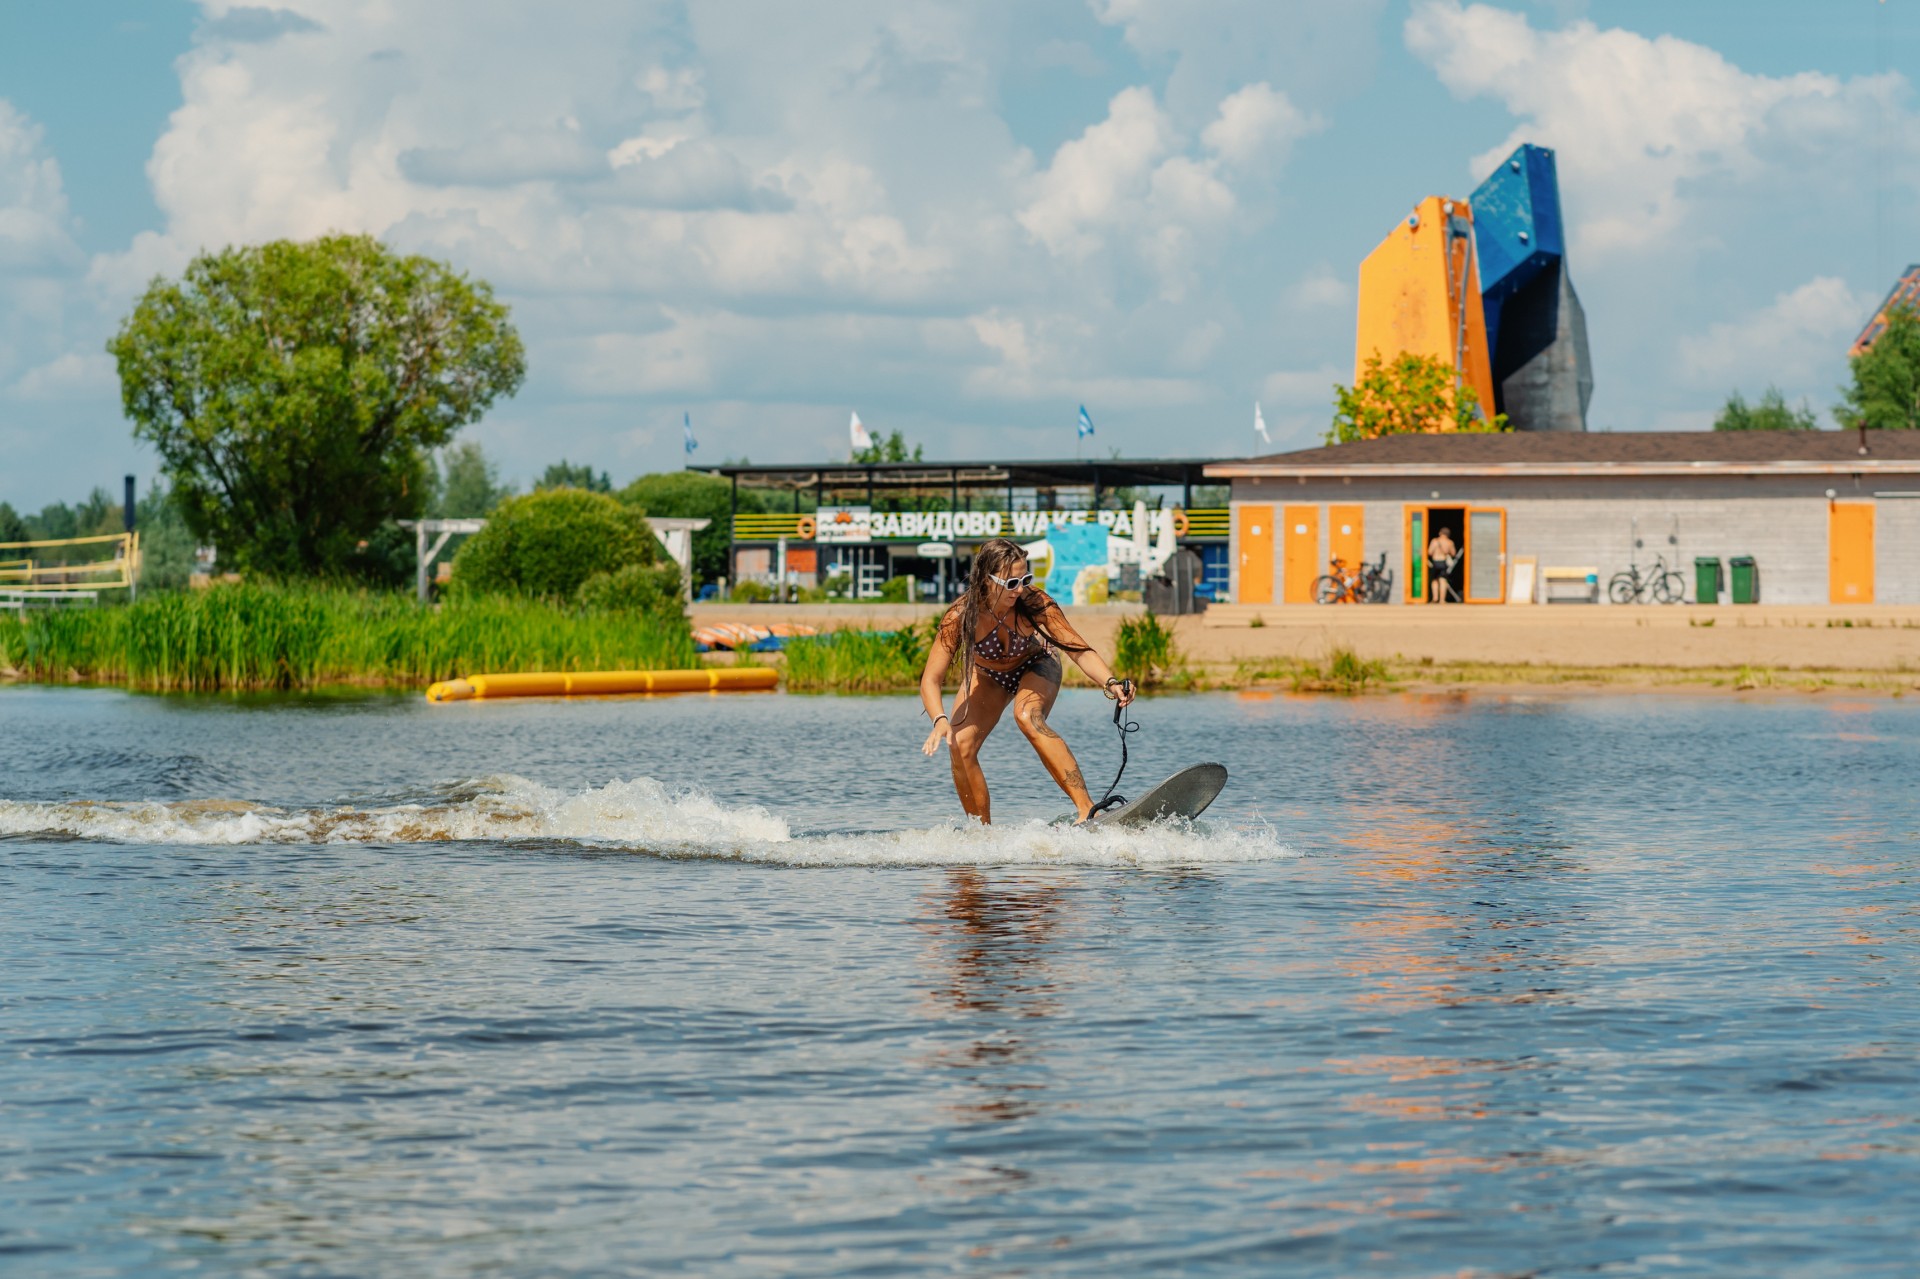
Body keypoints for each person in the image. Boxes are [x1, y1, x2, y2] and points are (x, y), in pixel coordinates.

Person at [919, 538, 1137, 824]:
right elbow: (930, 680)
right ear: (986, 580)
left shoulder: (1034, 603)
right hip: (988, 676)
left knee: (1027, 716)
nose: (1020, 589)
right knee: (959, 744)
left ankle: (1087, 810)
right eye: (1011, 583)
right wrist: (940, 720)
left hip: (1037, 664)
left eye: (1025, 579)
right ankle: (981, 833)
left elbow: (1078, 650)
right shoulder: (960, 616)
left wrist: (1110, 681)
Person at [1427, 526, 1459, 603]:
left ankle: (1435, 598)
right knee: (1443, 581)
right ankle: (1442, 600)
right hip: (1443, 562)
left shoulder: (1434, 541)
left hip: (1435, 562)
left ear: (1440, 533)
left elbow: (1429, 552)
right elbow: (1453, 553)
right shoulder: (1450, 542)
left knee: (1435, 581)